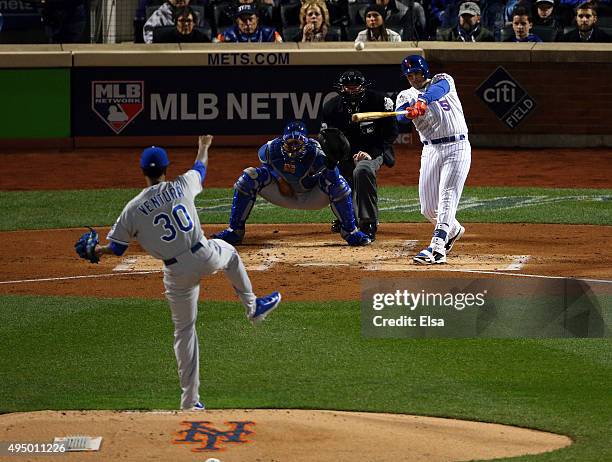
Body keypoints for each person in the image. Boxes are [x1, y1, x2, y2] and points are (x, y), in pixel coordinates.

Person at [74, 135, 281, 410]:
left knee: (184, 332)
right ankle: (253, 307)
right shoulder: (182, 184)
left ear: (142, 171)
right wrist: (203, 146)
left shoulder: (132, 209)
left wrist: (96, 252)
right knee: (229, 254)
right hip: (204, 255)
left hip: (176, 273)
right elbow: (201, 169)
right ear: (165, 168)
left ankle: (190, 402)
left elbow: (117, 248)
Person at [211, 121, 372, 247]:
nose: (293, 148)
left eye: (297, 144)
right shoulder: (270, 149)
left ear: (306, 142)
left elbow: (332, 179)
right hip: (283, 194)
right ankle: (235, 231)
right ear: (282, 141)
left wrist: (331, 163)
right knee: (249, 176)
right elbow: (265, 167)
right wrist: (279, 179)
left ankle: (350, 232)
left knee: (339, 183)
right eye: (290, 143)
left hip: (311, 196)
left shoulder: (316, 152)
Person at [394, 55, 470, 265]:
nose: (414, 78)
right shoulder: (404, 96)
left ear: (424, 71)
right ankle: (452, 230)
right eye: (409, 75)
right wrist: (408, 113)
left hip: (457, 146)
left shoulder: (443, 80)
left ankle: (437, 249)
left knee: (447, 195)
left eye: (417, 73)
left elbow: (438, 90)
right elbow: (399, 118)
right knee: (427, 208)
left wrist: (423, 101)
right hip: (431, 150)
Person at [321, 70, 398, 241]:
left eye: (356, 87)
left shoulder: (380, 101)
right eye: (348, 87)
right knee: (335, 177)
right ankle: (346, 218)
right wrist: (339, 157)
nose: (352, 90)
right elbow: (328, 139)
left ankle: (368, 222)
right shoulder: (331, 107)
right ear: (341, 88)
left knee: (362, 170)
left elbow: (390, 133)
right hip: (345, 154)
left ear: (363, 87)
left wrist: (370, 154)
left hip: (373, 150)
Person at [217, 4, 282, 42]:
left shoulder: (270, 34)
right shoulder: (227, 35)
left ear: (257, 19)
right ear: (237, 21)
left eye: (251, 19)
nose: (248, 23)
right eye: (243, 20)